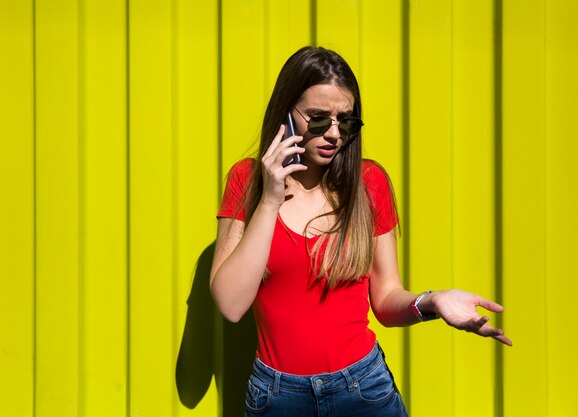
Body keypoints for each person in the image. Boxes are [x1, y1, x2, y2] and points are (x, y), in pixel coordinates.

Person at [210, 46, 511, 417]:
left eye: (346, 121)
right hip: (277, 397)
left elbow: (385, 299)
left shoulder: (369, 183)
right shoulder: (248, 182)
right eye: (318, 119)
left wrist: (432, 301)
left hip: (362, 389)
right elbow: (230, 305)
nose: (334, 134)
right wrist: (271, 199)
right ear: (286, 114)